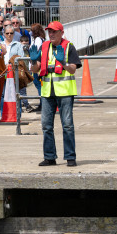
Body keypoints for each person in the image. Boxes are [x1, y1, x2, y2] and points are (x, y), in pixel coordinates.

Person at [39, 21, 82, 167]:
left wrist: (62, 62)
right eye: (49, 31)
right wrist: (32, 62)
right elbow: (35, 69)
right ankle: (49, 157)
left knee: (67, 125)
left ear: (61, 33)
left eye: (54, 32)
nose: (51, 34)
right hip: (47, 91)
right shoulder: (44, 46)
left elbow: (72, 69)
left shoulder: (69, 46)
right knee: (46, 125)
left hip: (65, 91)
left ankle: (70, 157)